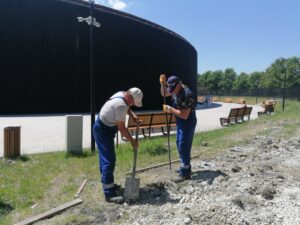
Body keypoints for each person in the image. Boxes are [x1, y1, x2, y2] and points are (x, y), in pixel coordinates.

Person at [93, 87, 143, 204]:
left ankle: (107, 183)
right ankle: (109, 194)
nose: (133, 106)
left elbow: (127, 107)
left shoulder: (122, 94)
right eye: (133, 103)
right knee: (108, 160)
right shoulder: (120, 106)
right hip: (103, 130)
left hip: (104, 126)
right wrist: (132, 141)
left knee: (105, 158)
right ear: (130, 97)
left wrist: (132, 115)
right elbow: (122, 129)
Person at [159, 75, 197, 182]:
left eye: (173, 89)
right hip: (180, 121)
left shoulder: (187, 94)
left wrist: (170, 109)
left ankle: (185, 173)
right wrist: (162, 84)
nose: (171, 92)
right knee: (179, 143)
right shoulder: (174, 88)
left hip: (188, 121)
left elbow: (184, 115)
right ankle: (185, 166)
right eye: (170, 89)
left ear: (179, 84)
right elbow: (164, 93)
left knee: (183, 145)